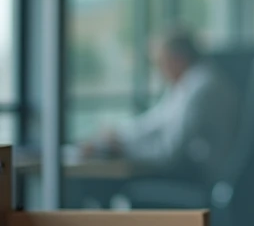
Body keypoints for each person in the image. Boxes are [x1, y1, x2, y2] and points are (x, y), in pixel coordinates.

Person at [81, 28, 238, 176]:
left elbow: (169, 152)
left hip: (198, 174)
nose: (160, 71)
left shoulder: (202, 88)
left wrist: (122, 149)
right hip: (187, 167)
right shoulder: (186, 83)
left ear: (178, 58)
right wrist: (118, 134)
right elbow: (153, 122)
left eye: (161, 62)